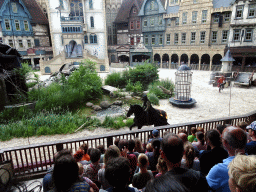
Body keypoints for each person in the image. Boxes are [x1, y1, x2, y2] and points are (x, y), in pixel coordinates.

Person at [206, 126, 247, 192]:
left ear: (225, 142)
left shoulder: (218, 170)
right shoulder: (253, 163)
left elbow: (202, 187)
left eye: (221, 138)